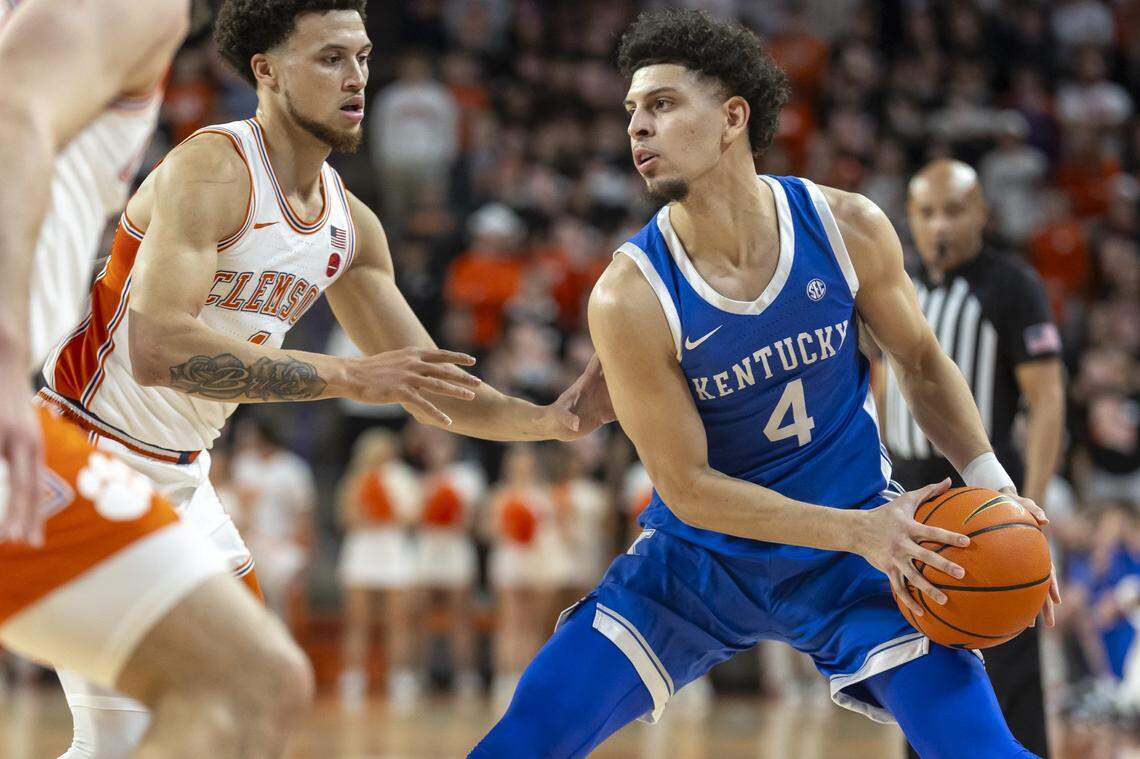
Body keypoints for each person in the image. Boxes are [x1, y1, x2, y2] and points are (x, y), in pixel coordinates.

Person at [471, 10, 1059, 758]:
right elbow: (687, 487)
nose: (637, 129)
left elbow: (919, 360)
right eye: (631, 111)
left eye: (661, 104)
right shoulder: (631, 294)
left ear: (731, 118)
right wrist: (862, 530)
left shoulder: (846, 225)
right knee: (521, 741)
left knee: (986, 751)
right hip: (700, 564)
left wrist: (992, 483)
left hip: (855, 558)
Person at [36, 1, 612, 754]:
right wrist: (346, 374)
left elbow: (427, 383)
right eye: (330, 58)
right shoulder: (211, 169)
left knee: (254, 702)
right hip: (86, 456)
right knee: (135, 729)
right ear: (266, 71)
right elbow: (158, 348)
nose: (357, 77)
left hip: (182, 477)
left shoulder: (351, 225)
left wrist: (550, 419)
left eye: (364, 56)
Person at [0, 1, 315, 757]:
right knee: (248, 686)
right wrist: (7, 353)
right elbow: (11, 117)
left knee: (192, 703)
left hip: (167, 464)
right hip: (58, 413)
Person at [881, 159, 1066, 758]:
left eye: (955, 210)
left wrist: (1029, 507)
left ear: (982, 213)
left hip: (986, 492)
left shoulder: (1012, 285)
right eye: (927, 212)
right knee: (919, 656)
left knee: (1006, 651)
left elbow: (1047, 399)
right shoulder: (897, 285)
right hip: (908, 491)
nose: (940, 224)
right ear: (908, 218)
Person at [335, 429, 421, 710]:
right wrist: (367, 512)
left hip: (393, 549)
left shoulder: (403, 477)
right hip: (362, 550)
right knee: (357, 620)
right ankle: (354, 677)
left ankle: (400, 678)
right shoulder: (356, 478)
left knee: (398, 620)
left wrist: (389, 511)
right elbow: (345, 517)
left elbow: (413, 515)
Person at [232, 417, 317, 624]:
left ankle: (286, 645)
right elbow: (237, 505)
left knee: (285, 605)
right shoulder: (243, 463)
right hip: (251, 541)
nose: (244, 439)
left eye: (249, 434)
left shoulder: (292, 468)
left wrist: (306, 551)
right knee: (250, 602)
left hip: (283, 544)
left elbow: (304, 512)